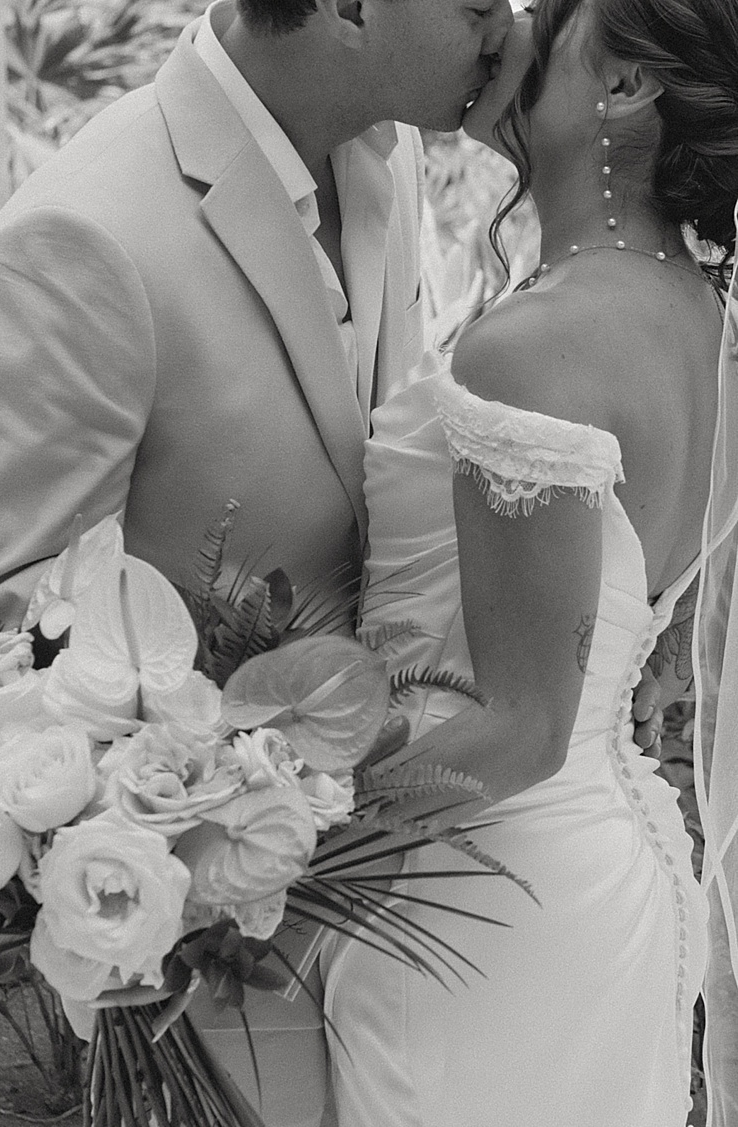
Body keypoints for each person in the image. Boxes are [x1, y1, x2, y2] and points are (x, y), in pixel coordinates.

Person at [320, 0, 737, 1120]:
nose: (515, 29)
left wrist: (259, 824)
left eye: (556, 25)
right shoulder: (698, 315)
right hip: (598, 873)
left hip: (481, 902)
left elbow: (521, 727)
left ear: (629, 89)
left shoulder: (537, 342)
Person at [0, 0, 511, 630]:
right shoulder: (78, 239)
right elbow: (11, 615)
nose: (505, 28)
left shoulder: (393, 146)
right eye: (480, 6)